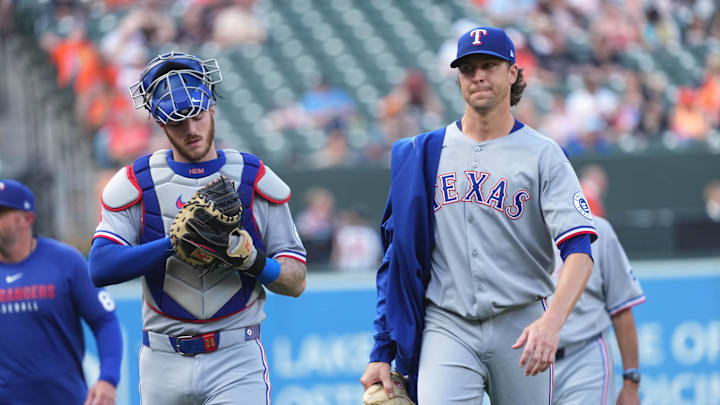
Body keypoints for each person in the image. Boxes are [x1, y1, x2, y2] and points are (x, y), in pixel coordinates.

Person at [360, 27, 597, 404]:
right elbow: (397, 261)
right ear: (458, 78)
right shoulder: (422, 152)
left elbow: (580, 252)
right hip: (447, 323)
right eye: (468, 68)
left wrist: (552, 323)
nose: (478, 75)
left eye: (489, 64)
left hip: (521, 323)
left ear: (513, 73)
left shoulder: (543, 154)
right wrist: (381, 351)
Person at [87, 51, 307, 404]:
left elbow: (296, 280)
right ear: (160, 123)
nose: (191, 129)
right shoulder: (136, 182)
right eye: (177, 121)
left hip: (235, 354)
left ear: (212, 107)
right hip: (162, 356)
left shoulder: (253, 177)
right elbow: (100, 267)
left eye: (197, 114)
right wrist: (173, 243)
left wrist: (253, 261)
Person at [0, 179, 122, 405]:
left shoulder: (65, 262)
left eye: (2, 211)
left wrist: (108, 379)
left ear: (27, 218)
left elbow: (104, 321)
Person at [551, 216, 645, 405]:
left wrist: (631, 382)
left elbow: (621, 309)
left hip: (582, 358)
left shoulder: (597, 229)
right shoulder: (511, 229)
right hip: (524, 362)